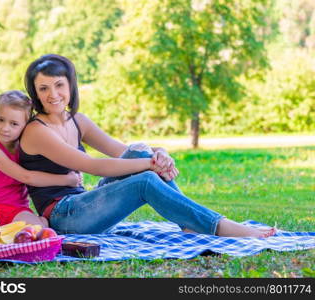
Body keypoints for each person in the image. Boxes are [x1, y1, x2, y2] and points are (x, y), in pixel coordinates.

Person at [19, 54, 276, 238]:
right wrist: (150, 165)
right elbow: (93, 166)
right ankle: (216, 225)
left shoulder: (77, 121)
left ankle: (191, 222)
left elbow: (122, 151)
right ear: (35, 93)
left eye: (59, 85)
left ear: (70, 85)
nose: (53, 94)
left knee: (140, 151)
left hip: (85, 205)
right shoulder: (36, 131)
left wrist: (157, 154)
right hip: (64, 217)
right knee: (145, 180)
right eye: (43, 88)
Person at [0, 90, 82, 235]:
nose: (5, 128)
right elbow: (26, 177)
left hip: (18, 210)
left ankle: (36, 223)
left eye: (14, 124)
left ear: (26, 126)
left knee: (38, 231)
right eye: (0, 120)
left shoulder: (25, 148)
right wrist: (67, 179)